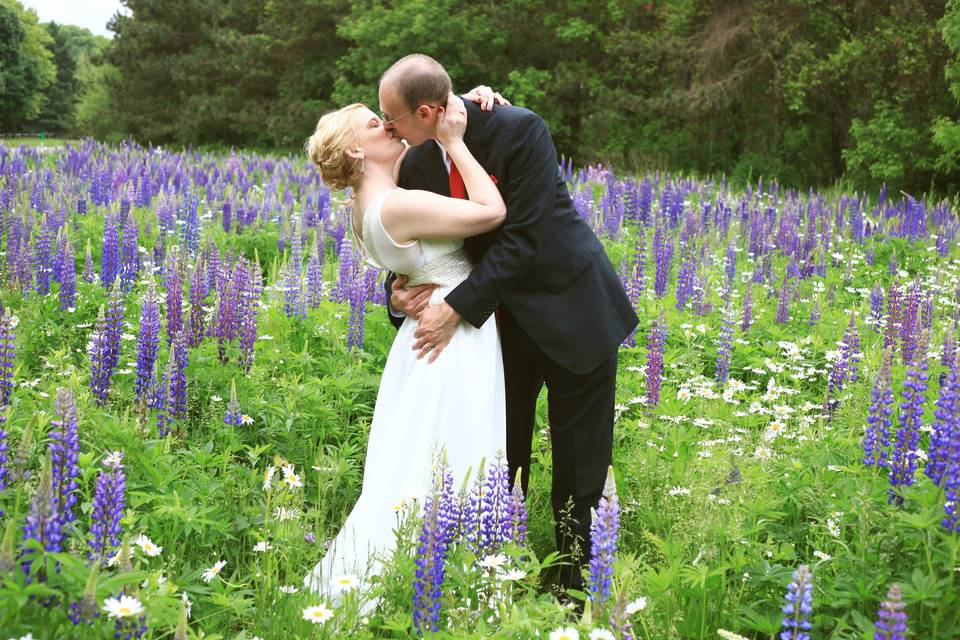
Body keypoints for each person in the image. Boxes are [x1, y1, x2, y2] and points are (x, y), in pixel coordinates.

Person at [380, 54, 639, 593]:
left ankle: (572, 591)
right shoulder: (416, 164)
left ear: (426, 111)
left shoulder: (520, 129)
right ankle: (500, 577)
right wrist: (398, 295)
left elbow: (524, 239)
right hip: (497, 330)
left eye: (392, 118)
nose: (387, 128)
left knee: (579, 470)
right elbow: (422, 247)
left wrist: (455, 307)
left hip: (571, 311)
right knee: (500, 461)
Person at [301, 90, 508, 600]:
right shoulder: (397, 204)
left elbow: (408, 270)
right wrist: (455, 142)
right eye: (374, 125)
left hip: (427, 333)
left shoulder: (366, 208)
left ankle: (434, 574)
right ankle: (448, 582)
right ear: (355, 151)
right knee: (452, 453)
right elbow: (492, 211)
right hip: (451, 335)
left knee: (419, 454)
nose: (389, 126)